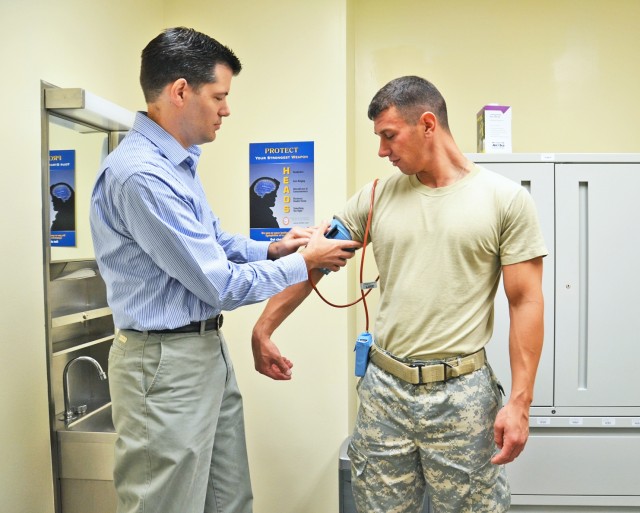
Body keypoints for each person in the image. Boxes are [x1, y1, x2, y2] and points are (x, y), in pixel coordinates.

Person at [89, 27, 359, 513]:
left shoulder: (178, 164)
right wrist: (305, 263)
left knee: (228, 499)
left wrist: (276, 249)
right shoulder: (141, 176)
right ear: (179, 91)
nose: (227, 109)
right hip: (163, 365)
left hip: (202, 351)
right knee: (165, 503)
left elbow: (214, 243)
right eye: (219, 96)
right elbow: (220, 284)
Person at [251, 76, 547, 512]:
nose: (382, 151)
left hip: (461, 395)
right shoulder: (375, 196)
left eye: (389, 136)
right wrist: (264, 327)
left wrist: (521, 402)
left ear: (428, 124)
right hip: (385, 393)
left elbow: (526, 301)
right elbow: (313, 262)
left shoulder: (504, 200)